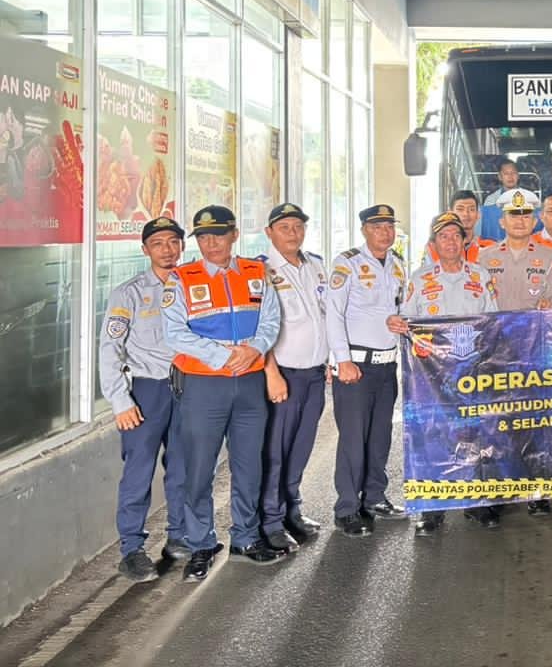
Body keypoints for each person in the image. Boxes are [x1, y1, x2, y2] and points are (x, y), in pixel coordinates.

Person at [162, 205, 284, 582]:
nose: (211, 243)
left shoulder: (256, 272)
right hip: (203, 385)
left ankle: (246, 537)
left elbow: (271, 319)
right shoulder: (182, 279)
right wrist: (222, 356)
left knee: (249, 464)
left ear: (234, 235)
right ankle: (201, 543)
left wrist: (254, 350)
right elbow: (174, 332)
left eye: (218, 234)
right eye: (203, 237)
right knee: (199, 467)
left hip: (248, 383)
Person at [391, 211, 498, 534]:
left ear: (465, 240)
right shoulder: (420, 279)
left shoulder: (480, 276)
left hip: (472, 371)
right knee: (433, 435)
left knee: (474, 434)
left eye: (456, 235)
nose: (450, 241)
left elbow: (493, 321)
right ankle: (432, 507)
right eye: (443, 236)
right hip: (432, 375)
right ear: (433, 244)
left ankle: (476, 501)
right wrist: (397, 322)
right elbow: (406, 319)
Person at [100, 216, 190, 582]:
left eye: (173, 242)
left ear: (182, 246)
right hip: (147, 391)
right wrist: (121, 401)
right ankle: (132, 550)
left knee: (184, 466)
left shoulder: (194, 286)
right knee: (139, 471)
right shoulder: (130, 293)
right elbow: (110, 349)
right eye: (158, 243)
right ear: (145, 250)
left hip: (189, 388)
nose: (167, 250)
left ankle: (179, 536)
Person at [327, 204, 410, 538]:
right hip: (356, 367)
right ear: (364, 230)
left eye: (389, 226)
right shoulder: (347, 263)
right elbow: (333, 313)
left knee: (379, 437)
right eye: (377, 227)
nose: (385, 232)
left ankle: (374, 497)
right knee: (353, 439)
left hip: (387, 365)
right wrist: (342, 359)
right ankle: (347, 508)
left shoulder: (398, 264)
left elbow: (401, 308)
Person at [482, 188, 552, 516]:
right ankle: (499, 491)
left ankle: (537, 490)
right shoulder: (484, 258)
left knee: (534, 421)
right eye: (513, 215)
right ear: (502, 221)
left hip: (533, 352)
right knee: (497, 422)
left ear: (534, 221)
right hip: (495, 353)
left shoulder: (549, 256)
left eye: (525, 215)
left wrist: (551, 302)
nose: (519, 220)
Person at [258, 203, 328, 553]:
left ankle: (292, 511)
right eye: (284, 227)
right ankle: (270, 521)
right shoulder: (261, 270)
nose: (293, 233)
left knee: (301, 447)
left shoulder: (315, 265)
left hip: (315, 374)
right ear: (269, 232)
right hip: (283, 375)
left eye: (298, 226)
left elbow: (325, 315)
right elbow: (257, 328)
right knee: (275, 451)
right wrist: (271, 372)